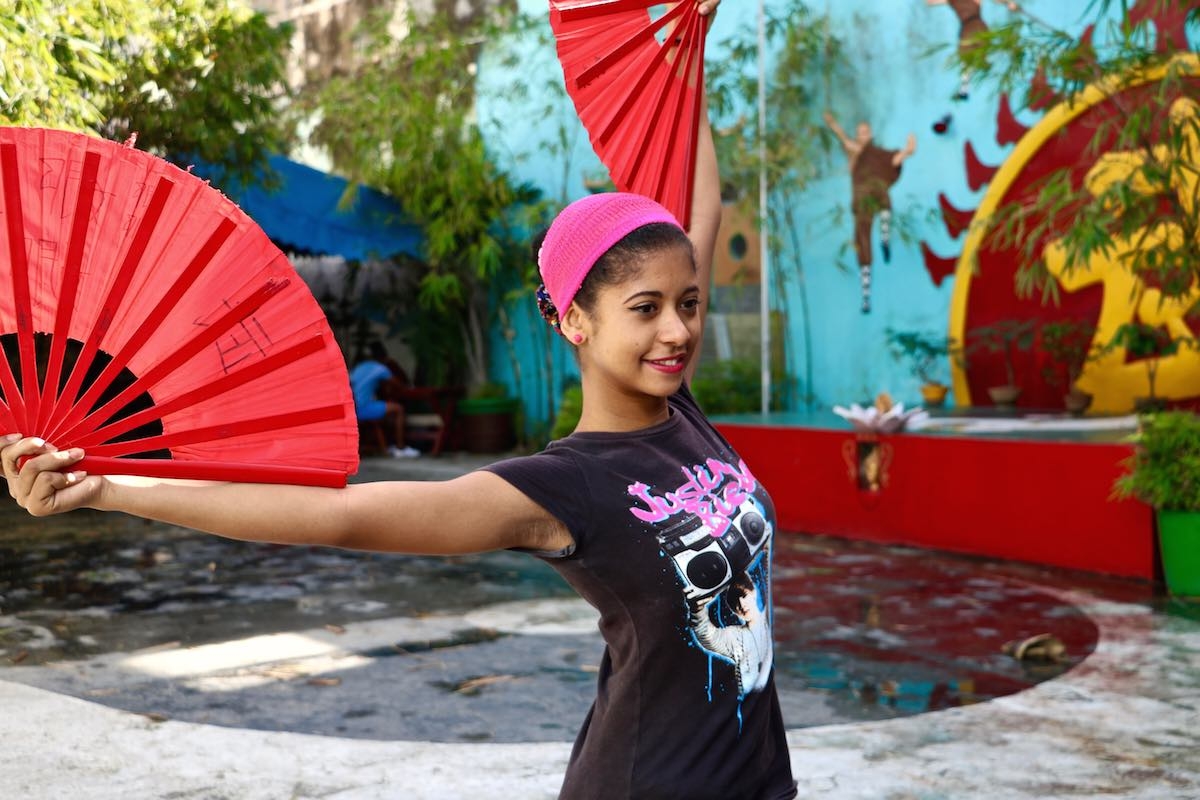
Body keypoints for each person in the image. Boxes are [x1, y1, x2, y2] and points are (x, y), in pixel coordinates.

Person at [2, 1, 797, 795]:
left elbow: (700, 208)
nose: (676, 331)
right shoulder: (563, 486)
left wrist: (682, 40)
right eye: (645, 309)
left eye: (687, 303)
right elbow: (341, 516)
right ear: (576, 322)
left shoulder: (679, 412)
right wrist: (109, 488)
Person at [822, 111, 916, 313]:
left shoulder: (878, 154)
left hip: (877, 195)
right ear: (858, 135)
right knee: (862, 241)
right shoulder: (855, 151)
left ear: (870, 134)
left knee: (883, 199)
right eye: (860, 133)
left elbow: (894, 159)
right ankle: (866, 296)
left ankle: (885, 238)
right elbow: (842, 137)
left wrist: (908, 151)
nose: (863, 136)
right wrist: (832, 124)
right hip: (862, 200)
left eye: (866, 132)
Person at [350, 340, 418, 459]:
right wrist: (410, 387)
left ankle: (390, 444)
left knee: (388, 408)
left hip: (352, 409)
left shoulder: (359, 367)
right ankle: (400, 447)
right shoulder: (380, 368)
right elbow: (399, 385)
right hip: (363, 408)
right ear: (383, 357)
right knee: (399, 409)